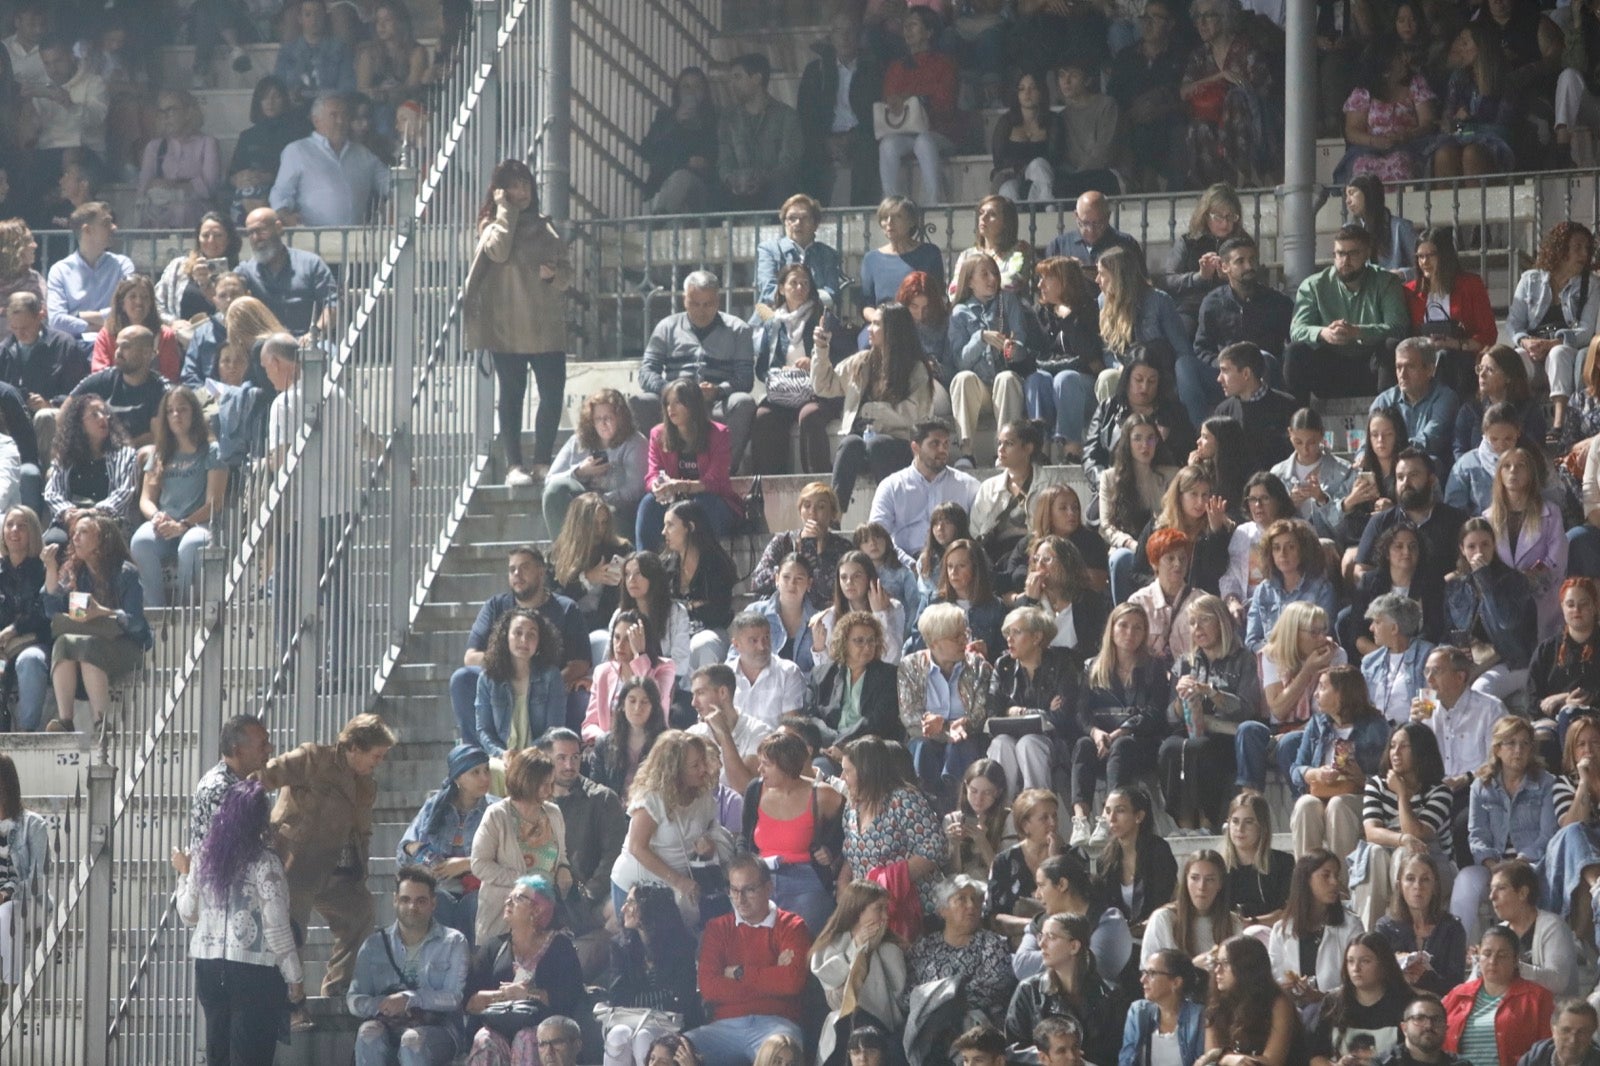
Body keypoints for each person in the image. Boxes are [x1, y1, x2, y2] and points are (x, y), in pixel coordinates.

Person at [257, 712, 393, 997]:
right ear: (354, 747)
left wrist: (361, 872)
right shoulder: (313, 759)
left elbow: (362, 833)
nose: (379, 763)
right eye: (376, 755)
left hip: (338, 870)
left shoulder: (366, 786)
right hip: (296, 863)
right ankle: (288, 1001)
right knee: (291, 933)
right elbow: (265, 775)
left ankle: (339, 989)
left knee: (360, 913)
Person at [172, 781, 305, 1065]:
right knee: (251, 1056)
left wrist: (183, 874)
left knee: (217, 1054)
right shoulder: (264, 862)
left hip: (208, 969)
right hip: (254, 971)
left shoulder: (205, 859)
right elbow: (276, 924)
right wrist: (294, 978)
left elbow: (188, 913)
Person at [463, 158, 573, 486]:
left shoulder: (545, 226)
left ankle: (542, 461)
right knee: (512, 394)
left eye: (525, 184)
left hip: (545, 325)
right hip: (507, 327)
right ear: (499, 189)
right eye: (513, 185)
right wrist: (504, 211)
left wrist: (554, 275)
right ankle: (514, 465)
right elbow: (497, 252)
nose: (521, 191)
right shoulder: (490, 225)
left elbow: (568, 274)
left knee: (552, 393)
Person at [449, 545, 592, 749]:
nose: (517, 574)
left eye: (524, 567)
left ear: (541, 572)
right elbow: (471, 657)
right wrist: (512, 664)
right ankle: (476, 757)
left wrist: (546, 682)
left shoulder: (566, 608)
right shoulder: (496, 606)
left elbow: (581, 662)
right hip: (500, 684)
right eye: (512, 569)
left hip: (550, 687)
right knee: (462, 679)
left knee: (580, 699)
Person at [679, 854, 810, 1065]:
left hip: (776, 1024)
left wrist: (739, 973)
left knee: (781, 1057)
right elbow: (709, 987)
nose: (740, 899)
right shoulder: (717, 928)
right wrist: (771, 974)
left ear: (768, 888)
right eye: (734, 890)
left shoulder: (792, 926)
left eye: (749, 890)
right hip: (723, 1027)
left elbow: (792, 983)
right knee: (672, 1050)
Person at [814, 308, 939, 514]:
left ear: (894, 330)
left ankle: (894, 515)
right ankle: (833, 518)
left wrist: (873, 410)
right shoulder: (860, 362)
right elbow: (823, 385)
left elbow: (916, 415)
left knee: (877, 445)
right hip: (863, 445)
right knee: (849, 444)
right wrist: (821, 347)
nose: (870, 329)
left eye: (877, 324)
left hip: (900, 446)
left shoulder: (916, 369)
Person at [635, 271, 755, 475]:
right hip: (675, 404)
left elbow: (745, 378)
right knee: (642, 401)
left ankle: (723, 471)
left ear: (718, 301)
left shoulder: (739, 330)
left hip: (716, 403)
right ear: (684, 300)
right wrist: (671, 392)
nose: (701, 311)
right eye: (695, 303)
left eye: (707, 304)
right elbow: (646, 371)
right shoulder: (666, 327)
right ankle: (664, 469)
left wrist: (718, 390)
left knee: (743, 402)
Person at [347, 868, 470, 1066]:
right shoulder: (374, 945)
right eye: (405, 899)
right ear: (395, 901)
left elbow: (453, 997)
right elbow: (354, 998)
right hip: (386, 1024)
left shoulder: (453, 942)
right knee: (368, 1033)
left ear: (433, 903)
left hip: (438, 1028)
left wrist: (409, 999)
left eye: (420, 901)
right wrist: (384, 1005)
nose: (412, 906)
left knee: (412, 1041)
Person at [609, 730, 733, 924]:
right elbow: (637, 848)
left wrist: (711, 846)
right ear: (675, 771)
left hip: (681, 891)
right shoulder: (651, 799)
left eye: (703, 761)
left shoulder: (703, 796)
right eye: (695, 765)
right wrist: (678, 881)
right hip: (637, 886)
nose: (703, 769)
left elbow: (712, 828)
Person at [39, 512, 148, 733]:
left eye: (83, 532)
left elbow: (136, 623)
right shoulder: (75, 571)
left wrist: (101, 612)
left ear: (102, 539)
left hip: (125, 646)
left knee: (88, 647)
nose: (75, 538)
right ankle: (65, 721)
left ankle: (101, 722)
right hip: (87, 642)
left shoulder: (125, 572)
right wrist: (51, 568)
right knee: (63, 642)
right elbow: (52, 610)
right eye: (74, 533)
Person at [461, 877, 588, 1066]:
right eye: (509, 897)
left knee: (526, 1038)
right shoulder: (493, 947)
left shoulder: (560, 947)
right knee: (484, 1039)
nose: (508, 901)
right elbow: (470, 1002)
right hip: (498, 1029)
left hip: (543, 1030)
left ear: (538, 909)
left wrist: (527, 994)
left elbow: (569, 997)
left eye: (518, 898)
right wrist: (503, 996)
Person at [1164, 593, 1264, 830]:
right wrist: (1181, 698)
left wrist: (1212, 693)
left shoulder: (1242, 660)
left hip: (1226, 736)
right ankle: (1184, 824)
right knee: (1170, 747)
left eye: (1204, 620)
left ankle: (1207, 821)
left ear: (1221, 622)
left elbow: (1248, 709)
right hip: (1191, 731)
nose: (1197, 628)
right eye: (1192, 623)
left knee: (1201, 749)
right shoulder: (1185, 663)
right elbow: (1169, 716)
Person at [1283, 225, 1411, 405]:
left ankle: (1387, 417)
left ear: (1367, 253)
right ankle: (1298, 424)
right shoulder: (1313, 285)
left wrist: (1357, 332)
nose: (1345, 260)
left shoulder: (1386, 282)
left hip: (1371, 368)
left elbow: (1398, 327)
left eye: (1353, 253)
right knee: (1295, 351)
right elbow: (1297, 330)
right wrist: (1323, 333)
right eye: (1340, 253)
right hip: (1330, 368)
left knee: (1391, 346)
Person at [1454, 718, 1555, 943]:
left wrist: (1520, 863)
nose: (1518, 750)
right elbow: (1477, 834)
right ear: (1497, 749)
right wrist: (1491, 864)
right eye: (1511, 743)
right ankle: (1461, 952)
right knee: (1465, 880)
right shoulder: (1481, 786)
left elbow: (1547, 835)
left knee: (1539, 881)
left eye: (1525, 744)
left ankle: (1539, 945)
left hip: (1533, 864)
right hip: (1493, 864)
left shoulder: (1546, 783)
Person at [537, 727, 625, 979]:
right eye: (561, 758)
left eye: (575, 757)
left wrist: (585, 896)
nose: (569, 765)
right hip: (545, 899)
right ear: (545, 759)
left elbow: (613, 858)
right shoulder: (533, 802)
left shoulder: (602, 800)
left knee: (619, 910)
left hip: (590, 900)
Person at [1352, 723, 1456, 930]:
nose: (1395, 753)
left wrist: (1401, 795)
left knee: (1403, 855)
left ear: (1420, 751)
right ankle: (1369, 936)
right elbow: (1371, 832)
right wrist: (1402, 839)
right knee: (1374, 853)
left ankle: (1403, 932)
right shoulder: (1376, 784)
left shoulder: (1440, 791)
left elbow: (1417, 833)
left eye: (1404, 747)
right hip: (1389, 856)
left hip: (1434, 864)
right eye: (1392, 746)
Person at [747, 263, 846, 477]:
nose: (800, 288)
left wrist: (815, 362)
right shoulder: (772, 325)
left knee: (810, 415)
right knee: (763, 416)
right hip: (785, 393)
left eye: (805, 283)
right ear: (782, 288)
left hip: (818, 392)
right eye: (794, 283)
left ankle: (817, 481)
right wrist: (779, 371)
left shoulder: (824, 319)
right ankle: (769, 483)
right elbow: (762, 367)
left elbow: (842, 360)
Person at [129, 388, 225, 607]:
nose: (176, 415)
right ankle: (155, 610)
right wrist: (157, 517)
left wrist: (183, 525)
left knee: (190, 546)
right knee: (140, 542)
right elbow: (146, 498)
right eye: (170, 411)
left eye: (182, 409)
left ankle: (183, 610)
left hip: (198, 524)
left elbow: (214, 502)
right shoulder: (160, 453)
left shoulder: (212, 451)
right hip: (165, 523)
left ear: (194, 413)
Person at [944, 254, 1042, 469]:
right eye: (984, 274)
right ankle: (967, 452)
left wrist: (1012, 348)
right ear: (969, 281)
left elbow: (1022, 350)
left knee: (1007, 378)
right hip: (979, 389)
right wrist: (981, 338)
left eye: (994, 273)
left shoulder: (1007, 301)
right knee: (963, 378)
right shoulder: (959, 313)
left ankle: (1005, 450)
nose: (992, 279)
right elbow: (960, 361)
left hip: (1003, 382)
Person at [1508, 222, 1599, 439]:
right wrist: (1524, 341)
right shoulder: (1530, 280)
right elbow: (1514, 322)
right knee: (1514, 358)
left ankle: (1558, 423)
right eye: (1577, 247)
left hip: (1565, 350)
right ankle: (1513, 421)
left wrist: (1552, 343)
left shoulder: (1592, 285)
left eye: (1587, 248)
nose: (1584, 254)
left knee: (1558, 354)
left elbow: (1586, 331)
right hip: (1533, 350)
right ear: (1560, 248)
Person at [1289, 665, 1391, 858]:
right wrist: (1316, 773)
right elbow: (1296, 769)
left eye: (1322, 687)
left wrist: (1363, 779)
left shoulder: (1375, 727)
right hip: (1321, 793)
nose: (1316, 694)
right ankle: (1307, 880)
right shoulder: (1317, 724)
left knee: (1338, 805)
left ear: (1341, 694)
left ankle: (1342, 883)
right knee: (1305, 805)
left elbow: (1389, 778)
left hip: (1360, 798)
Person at [470, 747, 570, 944]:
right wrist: (525, 884)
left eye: (551, 784)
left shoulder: (554, 813)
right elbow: (479, 864)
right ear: (526, 781)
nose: (549, 791)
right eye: (543, 785)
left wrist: (564, 868)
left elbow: (561, 854)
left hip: (545, 920)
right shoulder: (497, 815)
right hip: (503, 920)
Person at [1096, 247, 1205, 427]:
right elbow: (1107, 351)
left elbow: (1182, 350)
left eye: (1102, 274)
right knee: (1107, 378)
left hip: (1159, 372)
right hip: (1127, 371)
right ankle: (1114, 437)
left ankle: (1196, 433)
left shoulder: (1159, 301)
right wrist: (1120, 368)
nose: (1097, 280)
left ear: (1118, 277)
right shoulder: (1103, 301)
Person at [396, 744, 493, 945]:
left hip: (479, 888)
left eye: (487, 770)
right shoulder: (435, 807)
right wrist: (419, 851)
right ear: (458, 778)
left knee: (475, 905)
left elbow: (506, 858)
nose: (485, 778)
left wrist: (466, 864)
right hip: (439, 886)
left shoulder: (496, 810)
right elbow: (403, 851)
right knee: (434, 902)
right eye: (475, 772)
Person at [897, 602, 994, 799]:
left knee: (958, 746)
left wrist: (946, 726)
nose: (963, 642)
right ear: (933, 643)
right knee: (921, 746)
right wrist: (943, 729)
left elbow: (980, 713)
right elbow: (909, 718)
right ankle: (922, 806)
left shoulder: (977, 666)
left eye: (964, 634)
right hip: (925, 740)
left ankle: (960, 807)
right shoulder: (910, 666)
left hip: (966, 739)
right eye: (955, 637)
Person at [603, 882, 702, 1066]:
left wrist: (639, 1000)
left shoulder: (681, 946)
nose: (624, 908)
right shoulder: (620, 946)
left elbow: (682, 998)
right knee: (617, 1034)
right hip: (632, 1019)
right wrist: (661, 997)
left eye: (632, 903)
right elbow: (618, 998)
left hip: (670, 1025)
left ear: (651, 908)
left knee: (643, 1037)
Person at [983, 605, 1079, 795]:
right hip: (1011, 737)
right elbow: (993, 712)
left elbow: (1062, 716)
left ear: (1037, 637)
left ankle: (1035, 808)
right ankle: (1002, 809)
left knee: (1029, 743)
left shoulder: (1061, 663)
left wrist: (1019, 712)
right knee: (1000, 743)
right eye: (1008, 633)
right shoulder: (1003, 665)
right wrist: (1042, 710)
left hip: (1053, 741)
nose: (1009, 639)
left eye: (1017, 632)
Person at [1005, 912, 1122, 1065]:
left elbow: (1116, 1053)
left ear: (1074, 946)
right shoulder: (1029, 991)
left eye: (1052, 937)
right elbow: (1014, 1049)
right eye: (1041, 936)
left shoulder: (1109, 995)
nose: (1041, 944)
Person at [811, 879, 907, 1063]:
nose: (885, 916)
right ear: (858, 910)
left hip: (884, 1025)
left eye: (886, 909)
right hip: (844, 1023)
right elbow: (829, 978)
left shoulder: (890, 947)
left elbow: (898, 992)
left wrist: (873, 950)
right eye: (879, 909)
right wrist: (855, 947)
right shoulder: (831, 944)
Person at [1181, 0, 1276, 188]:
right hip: (1212, 123)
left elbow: (1263, 91)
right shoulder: (1200, 56)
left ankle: (1245, 176)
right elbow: (1184, 92)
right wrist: (1219, 77)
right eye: (1198, 17)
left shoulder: (1246, 48)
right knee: (1197, 128)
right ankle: (1215, 188)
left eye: (1208, 16)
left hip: (1251, 122)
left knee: (1236, 97)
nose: (1201, 23)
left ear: (1225, 18)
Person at [875, 9, 962, 207]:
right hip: (904, 131)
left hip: (940, 130)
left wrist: (915, 98)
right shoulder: (896, 67)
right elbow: (889, 100)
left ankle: (934, 202)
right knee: (887, 145)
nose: (907, 29)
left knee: (923, 140)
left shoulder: (944, 64)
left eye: (913, 24)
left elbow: (946, 104)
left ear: (929, 32)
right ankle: (890, 204)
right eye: (905, 25)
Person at [795, 11, 882, 206]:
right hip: (825, 136)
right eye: (839, 31)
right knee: (807, 155)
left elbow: (875, 112)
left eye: (850, 31)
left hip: (861, 135)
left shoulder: (872, 69)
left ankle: (861, 212)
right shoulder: (816, 71)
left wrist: (851, 137)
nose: (845, 37)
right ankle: (811, 213)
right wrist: (826, 140)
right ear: (831, 37)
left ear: (859, 36)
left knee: (868, 151)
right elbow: (806, 114)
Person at [1443, 522, 1536, 704]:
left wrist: (1485, 581)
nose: (1479, 552)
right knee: (1434, 684)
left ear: (1494, 546)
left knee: (1481, 690)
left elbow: (1507, 624)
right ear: (1462, 549)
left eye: (1485, 544)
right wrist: (1456, 650)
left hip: (1511, 660)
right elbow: (1448, 630)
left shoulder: (1514, 580)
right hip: (1472, 660)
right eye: (1471, 546)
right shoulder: (1456, 585)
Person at [907, 875, 1017, 1027]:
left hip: (977, 1025)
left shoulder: (991, 943)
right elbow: (910, 991)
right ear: (942, 910)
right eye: (961, 899)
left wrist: (940, 1000)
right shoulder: (925, 946)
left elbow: (995, 986)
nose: (971, 905)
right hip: (929, 1024)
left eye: (975, 899)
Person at [269, 92, 389, 226]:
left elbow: (391, 184)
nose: (341, 121)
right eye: (334, 115)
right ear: (316, 120)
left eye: (345, 115)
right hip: (314, 239)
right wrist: (285, 216)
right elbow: (281, 194)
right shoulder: (298, 151)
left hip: (356, 241)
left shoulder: (363, 154)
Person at [1355, 450, 1468, 590]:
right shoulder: (1381, 522)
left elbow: (1467, 566)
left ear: (1431, 479)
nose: (1405, 483)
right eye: (1400, 477)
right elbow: (1361, 570)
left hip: (1443, 602)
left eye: (1413, 475)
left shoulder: (1456, 520)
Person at [1442, 924, 1554, 1065]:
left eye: (1502, 956)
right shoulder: (1458, 995)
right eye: (1487, 954)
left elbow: (1548, 1051)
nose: (1492, 961)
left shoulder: (1537, 997)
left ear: (1515, 960)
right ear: (1478, 955)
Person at [473, 608, 566, 775]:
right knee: (492, 770)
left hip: (539, 755)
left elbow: (554, 730)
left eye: (531, 635)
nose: (524, 640)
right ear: (505, 637)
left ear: (539, 641)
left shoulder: (551, 676)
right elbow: (484, 730)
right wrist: (502, 754)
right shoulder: (487, 678)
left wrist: (525, 755)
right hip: (501, 757)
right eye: (517, 633)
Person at [543, 389, 647, 538]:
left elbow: (636, 488)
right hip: (582, 512)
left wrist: (601, 501)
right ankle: (562, 553)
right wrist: (580, 472)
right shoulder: (578, 441)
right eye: (598, 419)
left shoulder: (635, 442)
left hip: (616, 512)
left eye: (608, 418)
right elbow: (551, 479)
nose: (603, 424)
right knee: (555, 490)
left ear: (620, 417)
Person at [1406, 228, 1497, 397]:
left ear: (1444, 256)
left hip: (1461, 357)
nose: (1424, 261)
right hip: (1423, 357)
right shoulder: (1410, 291)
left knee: (1445, 356)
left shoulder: (1470, 285)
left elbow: (1488, 335)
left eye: (1431, 255)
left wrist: (1455, 343)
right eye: (1420, 256)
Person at [1269, 849, 1366, 1002]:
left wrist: (1321, 997)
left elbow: (1359, 983)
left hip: (1338, 1011)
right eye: (1326, 875)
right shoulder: (1280, 930)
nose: (1335, 882)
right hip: (1294, 1012)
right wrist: (1287, 989)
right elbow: (1275, 980)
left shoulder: (1351, 926)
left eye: (1336, 876)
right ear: (1305, 879)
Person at [1339, 40, 1439, 183]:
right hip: (1369, 147)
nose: (1406, 59)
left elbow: (1428, 122)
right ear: (1385, 70)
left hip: (1410, 145)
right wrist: (1376, 142)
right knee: (1364, 169)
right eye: (1399, 57)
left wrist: (1407, 135)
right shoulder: (1363, 92)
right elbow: (1352, 130)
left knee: (1400, 164)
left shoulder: (1416, 84)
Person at [1426, 23, 1518, 178]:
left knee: (1472, 153)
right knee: (1443, 154)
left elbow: (1504, 126)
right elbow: (1447, 121)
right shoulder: (1458, 78)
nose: (1460, 48)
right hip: (1460, 139)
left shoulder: (1507, 81)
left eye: (1465, 43)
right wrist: (1453, 121)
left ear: (1482, 47)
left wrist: (1472, 121)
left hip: (1494, 143)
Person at [1195, 236, 1294, 376]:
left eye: (1252, 259)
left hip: (1266, 374)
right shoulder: (1213, 303)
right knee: (1185, 368)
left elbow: (1293, 342)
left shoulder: (1278, 302)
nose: (1248, 266)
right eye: (1240, 261)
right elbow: (1201, 348)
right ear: (1225, 267)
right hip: (1226, 376)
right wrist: (1222, 366)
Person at [1309, 932, 1413, 1065]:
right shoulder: (1333, 1002)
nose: (1355, 968)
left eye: (1365, 961)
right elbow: (1316, 1056)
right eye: (1350, 961)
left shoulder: (1406, 1004)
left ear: (1384, 964)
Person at [716, 53, 801, 212]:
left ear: (756, 78)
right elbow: (724, 160)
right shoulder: (728, 119)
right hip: (738, 190)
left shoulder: (786, 116)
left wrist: (761, 179)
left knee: (782, 190)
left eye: (737, 77)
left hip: (774, 188)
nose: (732, 84)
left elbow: (789, 162)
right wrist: (732, 179)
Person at [1163, 184, 1251, 338]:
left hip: (1232, 308)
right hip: (1193, 309)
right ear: (1205, 215)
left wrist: (1231, 277)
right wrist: (1200, 277)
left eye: (1231, 217)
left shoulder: (1243, 243)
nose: (1225, 224)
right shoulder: (1189, 242)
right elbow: (1169, 280)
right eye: (1218, 217)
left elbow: (1254, 278)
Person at [1482, 860, 1580, 998]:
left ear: (1523, 893)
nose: (1492, 896)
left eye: (1501, 888)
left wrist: (1512, 966)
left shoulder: (1552, 926)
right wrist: (1482, 961)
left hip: (1551, 1016)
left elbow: (1559, 981)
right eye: (1491, 889)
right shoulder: (1499, 932)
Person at [1376, 851, 1467, 996]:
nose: (1418, 886)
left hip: (1439, 1007)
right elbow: (1378, 980)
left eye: (1425, 879)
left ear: (1435, 886)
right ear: (1399, 886)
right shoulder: (1385, 928)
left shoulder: (1452, 928)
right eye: (1410, 879)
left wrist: (1426, 976)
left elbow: (1455, 985)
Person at [236, 208, 338, 337]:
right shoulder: (245, 271)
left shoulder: (311, 263)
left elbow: (333, 306)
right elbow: (224, 298)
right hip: (263, 346)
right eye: (250, 233)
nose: (256, 238)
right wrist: (205, 282)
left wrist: (315, 333)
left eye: (261, 231)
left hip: (308, 341)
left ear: (278, 228)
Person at [45, 203, 134, 344]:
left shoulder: (122, 265)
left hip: (114, 344)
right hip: (74, 347)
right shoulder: (60, 270)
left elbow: (130, 309)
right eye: (106, 223)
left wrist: (80, 315)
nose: (114, 227)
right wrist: (96, 325)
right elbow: (56, 320)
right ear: (87, 230)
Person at [662, 500, 736, 670]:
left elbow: (718, 612)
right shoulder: (665, 566)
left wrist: (679, 607)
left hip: (710, 631)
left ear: (690, 527)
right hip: (673, 633)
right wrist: (692, 606)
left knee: (702, 645)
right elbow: (661, 607)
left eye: (670, 525)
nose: (663, 532)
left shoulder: (716, 564)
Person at [1370, 339, 1462, 476]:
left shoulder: (1445, 398)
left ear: (1430, 369)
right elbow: (1368, 439)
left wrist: (1389, 447)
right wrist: (1362, 455)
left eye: (1410, 367)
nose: (1402, 374)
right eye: (1398, 367)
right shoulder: (1384, 400)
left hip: (1429, 472)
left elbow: (1430, 440)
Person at [1246, 518, 1337, 652]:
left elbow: (1323, 637)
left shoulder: (1322, 589)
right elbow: (1252, 641)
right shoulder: (1263, 590)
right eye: (1276, 548)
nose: (1283, 554)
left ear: (1303, 550)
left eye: (1291, 547)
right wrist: (1276, 654)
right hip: (1270, 661)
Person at [226, 77, 310, 223]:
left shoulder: (297, 133)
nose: (270, 102)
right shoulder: (248, 136)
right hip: (249, 191)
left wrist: (266, 177)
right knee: (246, 192)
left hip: (283, 192)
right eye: (264, 97)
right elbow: (232, 174)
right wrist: (240, 178)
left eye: (276, 96)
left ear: (284, 99)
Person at [549, 495, 633, 639]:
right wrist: (587, 579)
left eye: (604, 523)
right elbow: (554, 599)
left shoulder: (620, 550)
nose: (600, 529)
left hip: (608, 626)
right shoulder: (558, 555)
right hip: (569, 626)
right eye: (594, 524)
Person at [1528, 578, 1600, 746]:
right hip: (1554, 720)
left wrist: (1563, 698)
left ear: (1595, 606)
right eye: (1570, 604)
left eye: (1583, 603)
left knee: (1571, 713)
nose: (1577, 610)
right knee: (1541, 735)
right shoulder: (1547, 649)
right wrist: (1558, 707)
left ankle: (1573, 772)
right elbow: (1533, 701)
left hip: (1594, 719)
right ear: (1562, 607)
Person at [135, 89, 220, 230]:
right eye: (161, 111)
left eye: (171, 110)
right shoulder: (154, 146)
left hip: (195, 208)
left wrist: (172, 186)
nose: (165, 116)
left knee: (182, 209)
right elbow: (144, 188)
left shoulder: (207, 143)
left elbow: (209, 187)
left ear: (188, 112)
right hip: (160, 206)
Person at [985, 788, 1065, 937]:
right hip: (1017, 943)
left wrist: (1056, 862)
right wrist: (1035, 925)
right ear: (1025, 825)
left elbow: (1078, 907)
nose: (1053, 822)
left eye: (1054, 816)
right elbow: (993, 916)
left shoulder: (1070, 857)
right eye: (1044, 818)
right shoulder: (1004, 862)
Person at [639, 67, 718, 215]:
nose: (691, 91)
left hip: (700, 191)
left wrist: (703, 165)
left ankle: (657, 222)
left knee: (682, 177)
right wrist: (675, 122)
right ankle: (661, 221)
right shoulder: (665, 118)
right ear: (677, 91)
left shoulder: (714, 120)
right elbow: (648, 150)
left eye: (697, 86)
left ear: (705, 92)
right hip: (664, 186)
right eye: (686, 86)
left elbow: (716, 157)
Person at [1143, 848, 1242, 964]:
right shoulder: (1163, 918)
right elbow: (1149, 972)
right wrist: (1194, 967)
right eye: (1194, 878)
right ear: (1186, 880)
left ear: (1219, 884)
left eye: (1210, 880)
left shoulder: (1233, 922)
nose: (1201, 887)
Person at [1213, 343, 1296, 474]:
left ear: (1246, 373)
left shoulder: (1287, 406)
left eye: (1225, 371)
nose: (1219, 378)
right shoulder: (1223, 412)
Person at [1360, 591, 1438, 725]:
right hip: (1379, 739)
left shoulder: (1428, 656)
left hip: (1414, 735)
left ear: (1394, 628)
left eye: (1377, 622)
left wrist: (1415, 725)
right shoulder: (1370, 662)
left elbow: (1428, 709)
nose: (1371, 628)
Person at [858, 199, 947, 317]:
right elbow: (867, 305)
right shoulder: (871, 259)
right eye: (885, 218)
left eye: (897, 217)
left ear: (911, 222)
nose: (889, 222)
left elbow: (938, 297)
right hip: (884, 323)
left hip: (920, 322)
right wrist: (879, 320)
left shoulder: (929, 253)